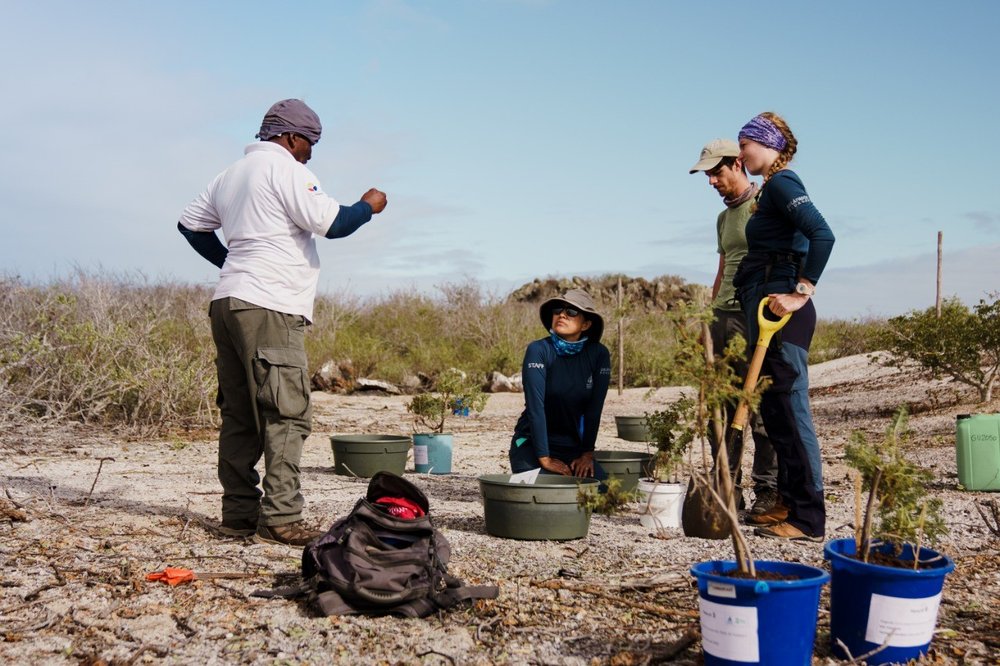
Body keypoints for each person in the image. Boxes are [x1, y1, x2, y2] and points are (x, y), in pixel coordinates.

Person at [178, 99, 387, 546]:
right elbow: (334, 223)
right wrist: (370, 205)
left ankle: (237, 516)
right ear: (291, 138)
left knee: (240, 414)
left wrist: (232, 262)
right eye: (309, 143)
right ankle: (280, 518)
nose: (311, 153)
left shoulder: (229, 175)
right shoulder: (287, 170)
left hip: (228, 302)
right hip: (269, 305)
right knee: (286, 412)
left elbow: (190, 225)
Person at [732, 112, 835, 542]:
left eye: (745, 146)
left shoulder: (783, 183)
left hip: (783, 314)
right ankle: (789, 505)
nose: (740, 156)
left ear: (768, 143)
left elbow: (823, 234)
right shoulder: (771, 189)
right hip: (766, 313)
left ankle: (810, 519)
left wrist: (802, 290)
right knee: (775, 413)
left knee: (792, 413)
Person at [689, 139, 779, 516]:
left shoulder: (765, 206)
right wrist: (708, 319)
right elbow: (723, 269)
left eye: (717, 172)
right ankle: (728, 487)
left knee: (756, 406)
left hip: (753, 315)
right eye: (707, 174)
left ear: (738, 164)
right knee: (720, 407)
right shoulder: (724, 219)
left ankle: (769, 491)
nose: (711, 181)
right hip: (723, 317)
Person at [509, 289, 612, 479]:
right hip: (531, 444)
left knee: (601, 493)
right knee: (545, 491)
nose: (562, 315)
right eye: (558, 309)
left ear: (586, 324)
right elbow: (535, 407)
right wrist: (544, 457)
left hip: (572, 448)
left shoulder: (599, 354)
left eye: (572, 312)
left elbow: (594, 409)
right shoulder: (538, 350)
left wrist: (587, 454)